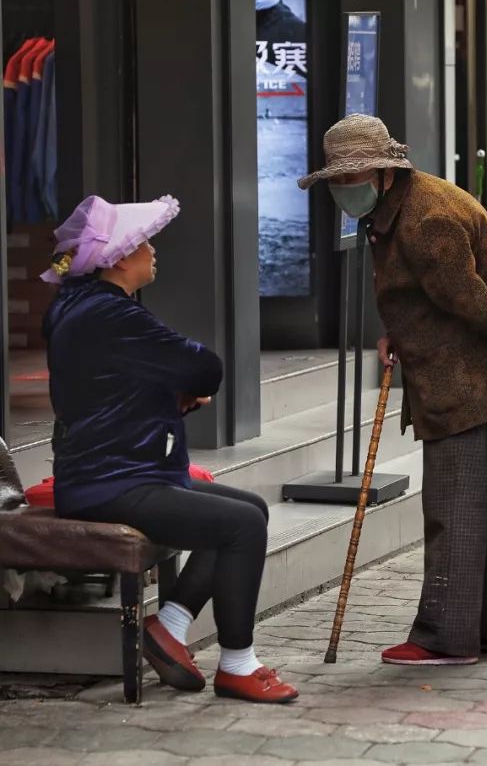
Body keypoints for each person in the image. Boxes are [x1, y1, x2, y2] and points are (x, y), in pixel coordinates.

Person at [299, 114, 487, 666]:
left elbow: (469, 300)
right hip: (455, 371)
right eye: (338, 180)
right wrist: (398, 333)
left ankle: (446, 637)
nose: (345, 189)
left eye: (353, 176)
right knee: (485, 504)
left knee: (454, 508)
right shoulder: (400, 207)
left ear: (385, 172)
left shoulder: (429, 217)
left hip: (463, 380)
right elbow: (424, 295)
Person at [41, 195, 298, 704]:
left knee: (249, 509)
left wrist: (167, 394)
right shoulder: (111, 315)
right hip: (110, 481)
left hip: (113, 468)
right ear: (117, 259)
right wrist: (181, 385)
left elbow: (108, 389)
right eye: (143, 243)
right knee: (240, 527)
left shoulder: (81, 306)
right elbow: (206, 368)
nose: (153, 250)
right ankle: (238, 664)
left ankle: (171, 626)